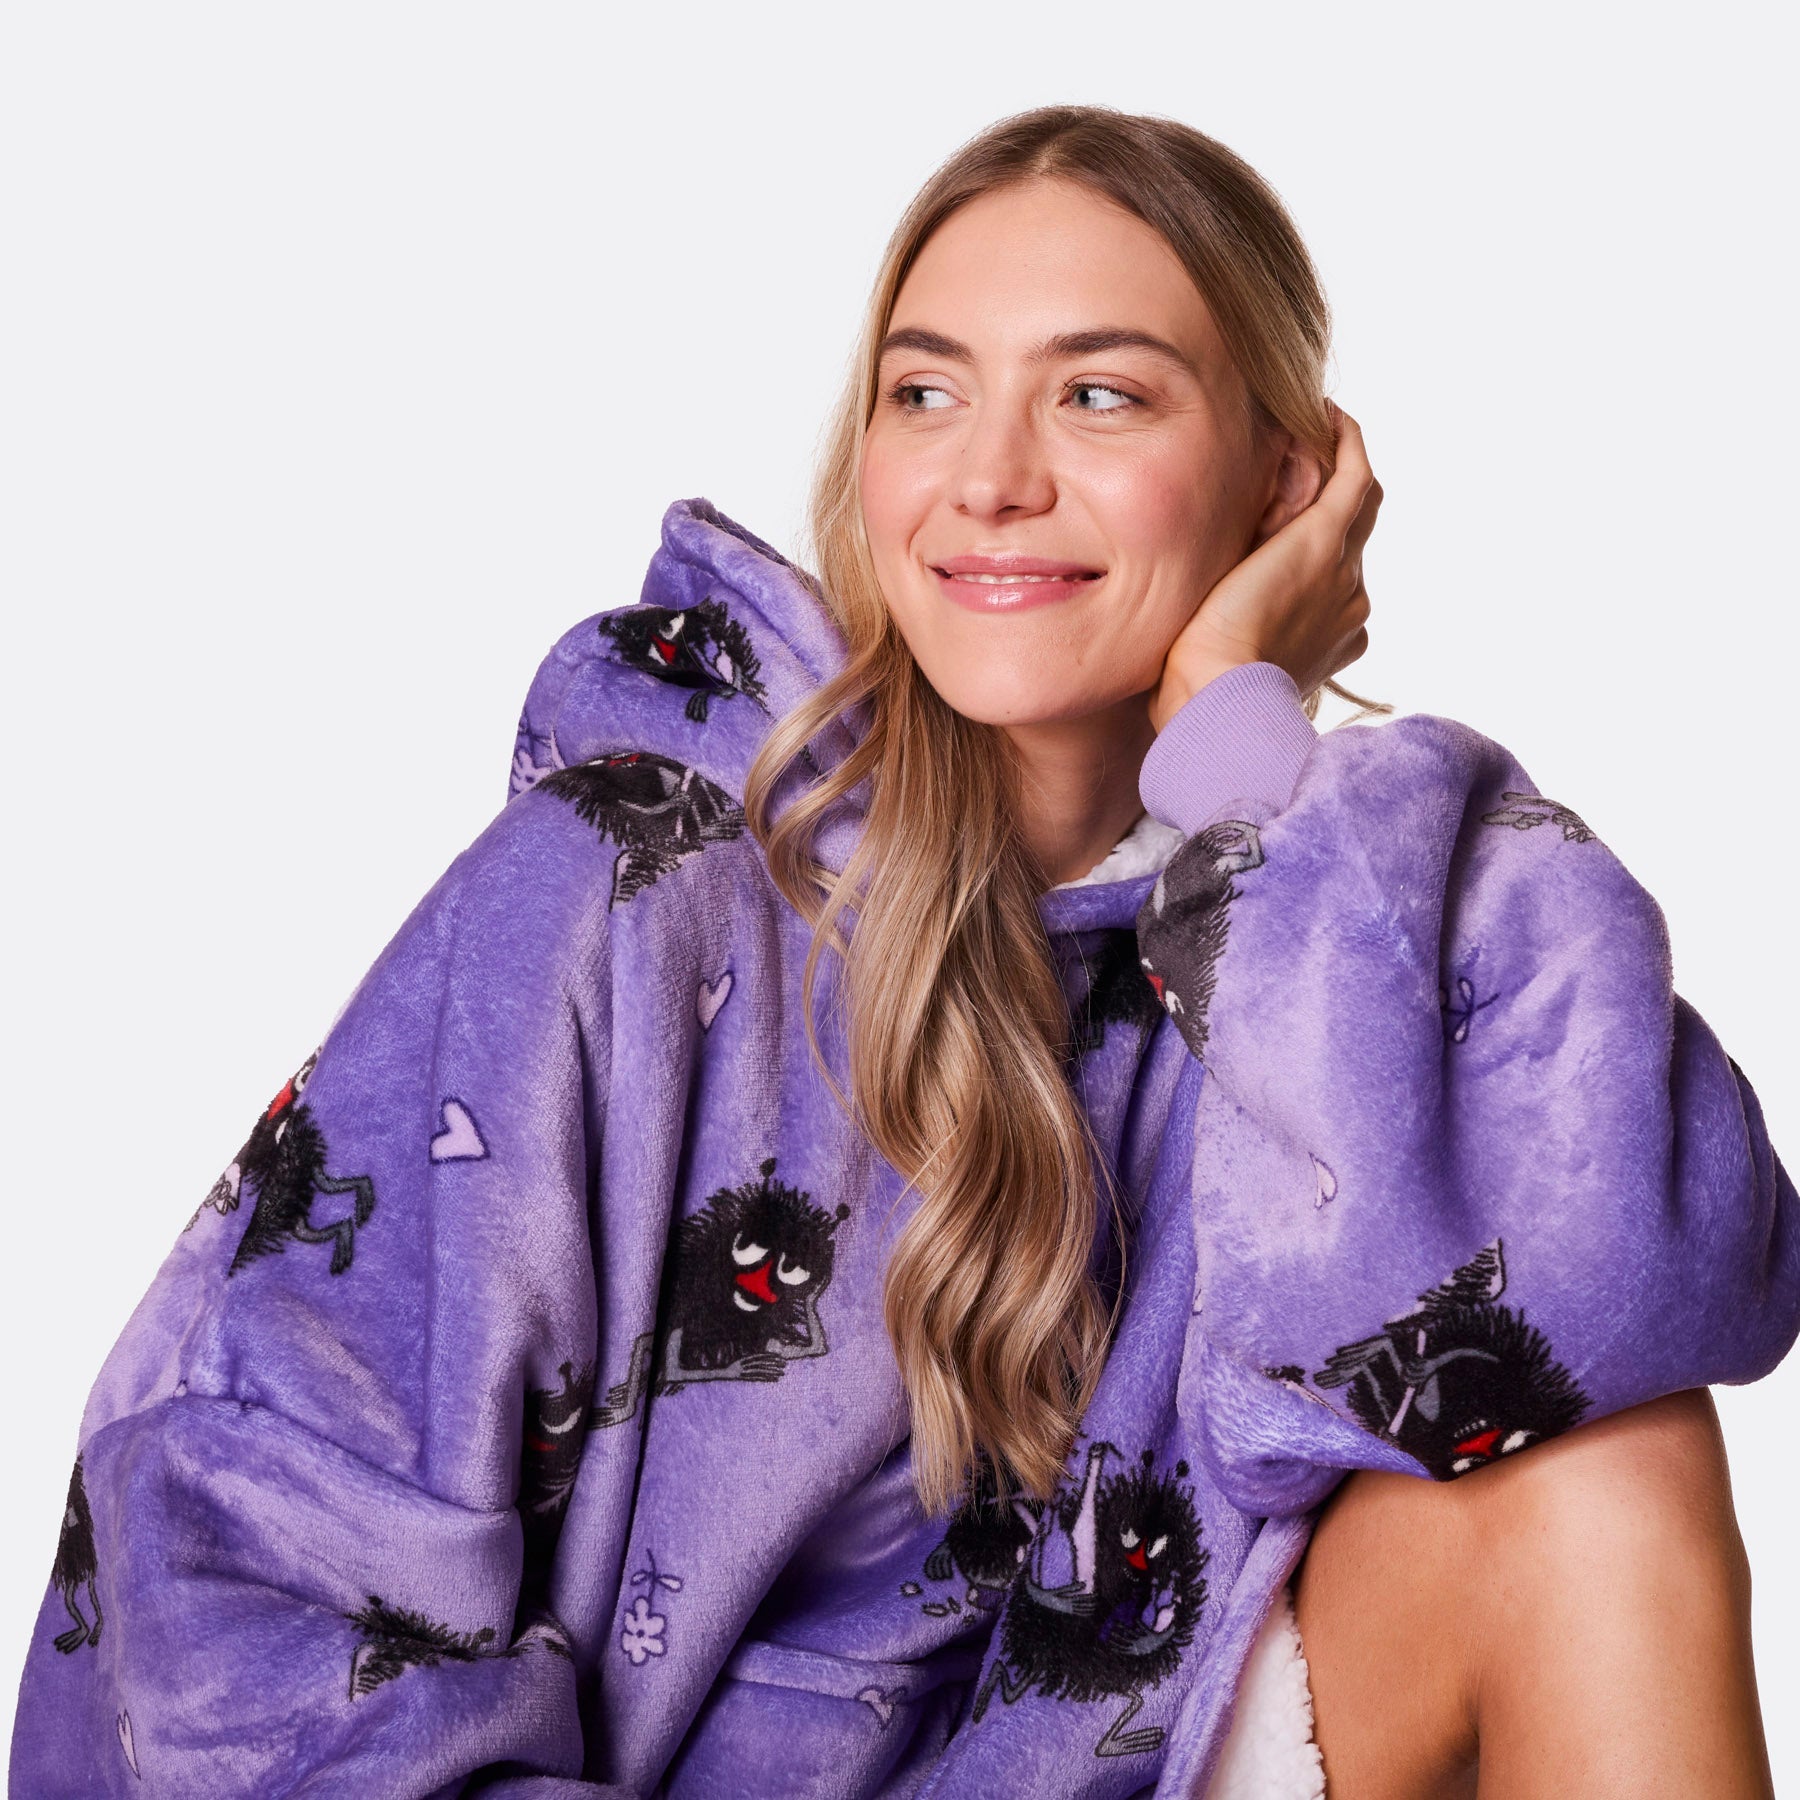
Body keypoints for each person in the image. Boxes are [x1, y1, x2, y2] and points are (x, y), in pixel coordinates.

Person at [8, 103, 1795, 1800]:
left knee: (1604, 1472)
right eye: (925, 392)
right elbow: (242, 1565)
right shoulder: (635, 886)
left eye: (1098, 395)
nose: (991, 480)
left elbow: (1613, 1305)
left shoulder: (1328, 895)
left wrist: (1241, 763)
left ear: (1289, 480)